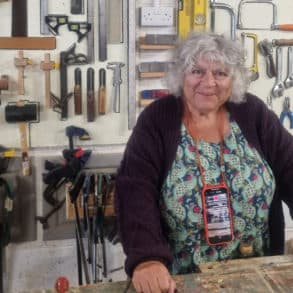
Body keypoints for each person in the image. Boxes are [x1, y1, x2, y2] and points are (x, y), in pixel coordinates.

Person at [115, 31, 293, 293]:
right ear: (181, 75)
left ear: (233, 80)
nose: (209, 82)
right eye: (197, 71)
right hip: (182, 279)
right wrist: (147, 258)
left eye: (220, 73)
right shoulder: (157, 119)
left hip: (256, 273)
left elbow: (290, 166)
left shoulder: (252, 112)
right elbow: (135, 190)